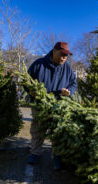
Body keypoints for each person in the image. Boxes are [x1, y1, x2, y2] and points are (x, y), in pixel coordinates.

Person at [27, 41, 77, 170]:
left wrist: (69, 92)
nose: (64, 58)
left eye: (66, 56)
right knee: (38, 129)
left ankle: (57, 156)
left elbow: (73, 83)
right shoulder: (38, 64)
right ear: (54, 51)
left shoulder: (67, 68)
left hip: (58, 105)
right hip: (40, 105)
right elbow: (27, 81)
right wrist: (33, 92)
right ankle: (35, 153)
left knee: (57, 131)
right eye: (61, 54)